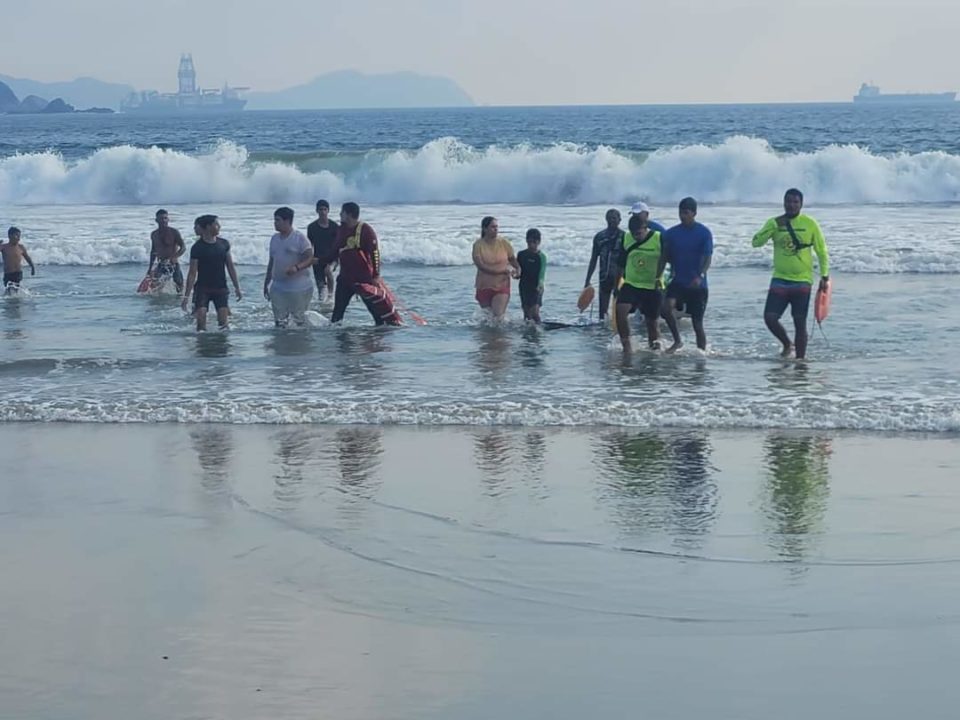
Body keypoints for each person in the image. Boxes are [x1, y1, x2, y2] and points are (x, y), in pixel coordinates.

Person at [752, 188, 830, 360]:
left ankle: (800, 361)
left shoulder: (810, 224)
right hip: (780, 279)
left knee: (799, 323)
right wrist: (773, 226)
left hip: (802, 281)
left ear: (801, 204)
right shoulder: (774, 222)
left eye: (795, 202)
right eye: (788, 201)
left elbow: (822, 251)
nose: (791, 205)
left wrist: (825, 276)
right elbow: (756, 242)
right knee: (770, 318)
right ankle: (787, 344)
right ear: (783, 202)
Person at [326, 202, 401, 325]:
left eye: (342, 212)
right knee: (337, 314)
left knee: (376, 314)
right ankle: (338, 342)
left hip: (364, 281)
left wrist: (376, 275)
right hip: (345, 279)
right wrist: (320, 260)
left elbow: (375, 253)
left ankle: (379, 338)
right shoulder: (341, 230)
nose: (340, 214)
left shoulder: (366, 230)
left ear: (349, 214)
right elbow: (335, 250)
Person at [661, 197, 713, 352]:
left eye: (686, 213)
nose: (682, 216)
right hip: (678, 282)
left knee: (697, 325)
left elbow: (707, 259)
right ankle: (677, 341)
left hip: (698, 285)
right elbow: (664, 257)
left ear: (694, 213)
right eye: (680, 212)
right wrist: (657, 276)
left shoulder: (704, 233)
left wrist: (700, 276)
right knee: (665, 308)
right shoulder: (671, 234)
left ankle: (702, 353)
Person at [615, 213, 669, 351]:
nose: (636, 237)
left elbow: (667, 259)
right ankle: (626, 345)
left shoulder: (658, 238)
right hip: (631, 284)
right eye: (633, 234)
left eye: (639, 234)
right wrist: (617, 285)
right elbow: (620, 264)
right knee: (620, 312)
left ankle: (655, 350)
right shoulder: (626, 238)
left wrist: (661, 277)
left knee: (651, 324)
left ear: (646, 228)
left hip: (652, 286)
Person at [181, 215, 242, 331]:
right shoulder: (197, 247)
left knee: (223, 324)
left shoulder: (224, 244)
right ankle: (202, 348)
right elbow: (192, 273)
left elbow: (230, 267)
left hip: (220, 288)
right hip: (202, 289)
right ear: (209, 227)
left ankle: (222, 347)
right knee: (201, 325)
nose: (219, 227)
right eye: (217, 224)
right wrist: (186, 296)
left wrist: (237, 287)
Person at [263, 206, 314, 328]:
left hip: (299, 287)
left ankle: (299, 345)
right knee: (280, 322)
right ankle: (281, 344)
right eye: (274, 220)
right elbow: (272, 262)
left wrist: (296, 267)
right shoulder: (274, 238)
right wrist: (266, 283)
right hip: (278, 287)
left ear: (287, 221)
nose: (275, 223)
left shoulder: (299, 238)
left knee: (298, 320)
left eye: (277, 220)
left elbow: (310, 258)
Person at [473, 216, 520, 320]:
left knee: (498, 315)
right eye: (493, 227)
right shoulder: (478, 245)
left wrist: (518, 270)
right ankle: (490, 336)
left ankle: (500, 336)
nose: (496, 229)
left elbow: (513, 260)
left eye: (497, 227)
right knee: (488, 319)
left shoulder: (504, 243)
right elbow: (481, 266)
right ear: (485, 229)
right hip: (484, 285)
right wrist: (500, 271)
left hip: (501, 285)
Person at [584, 209, 624, 320]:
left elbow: (629, 260)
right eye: (609, 218)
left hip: (620, 279)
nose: (612, 220)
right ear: (606, 219)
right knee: (602, 313)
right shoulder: (599, 237)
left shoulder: (625, 237)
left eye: (614, 218)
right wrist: (587, 280)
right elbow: (593, 259)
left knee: (620, 311)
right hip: (604, 277)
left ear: (619, 220)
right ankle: (603, 335)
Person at [306, 199, 339, 302]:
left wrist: (337, 258)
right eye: (320, 209)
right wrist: (310, 258)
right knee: (321, 287)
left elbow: (339, 244)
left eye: (325, 209)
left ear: (328, 211)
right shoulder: (312, 227)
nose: (323, 212)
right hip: (317, 258)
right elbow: (309, 244)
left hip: (332, 257)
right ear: (317, 211)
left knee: (328, 271)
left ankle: (330, 297)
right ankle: (323, 303)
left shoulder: (334, 226)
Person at [145, 209, 186, 294]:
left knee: (179, 287)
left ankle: (179, 304)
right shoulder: (154, 234)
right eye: (161, 218)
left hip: (174, 264)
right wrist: (150, 268)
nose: (163, 220)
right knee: (154, 288)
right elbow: (153, 251)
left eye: (165, 218)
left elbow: (183, 247)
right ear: (156, 220)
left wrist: (174, 257)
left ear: (168, 219)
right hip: (161, 264)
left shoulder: (174, 232)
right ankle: (160, 305)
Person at [517, 228, 547, 323]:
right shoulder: (521, 254)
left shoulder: (541, 256)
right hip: (524, 286)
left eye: (534, 242)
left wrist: (540, 284)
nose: (531, 245)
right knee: (527, 314)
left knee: (534, 312)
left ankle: (539, 329)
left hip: (537, 286)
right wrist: (515, 274)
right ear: (526, 241)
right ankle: (527, 334)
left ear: (539, 242)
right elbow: (518, 269)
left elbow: (542, 272)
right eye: (529, 242)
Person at [1, 227, 35, 294]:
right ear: (9, 236)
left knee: (15, 291)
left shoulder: (20, 247)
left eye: (19, 236)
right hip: (8, 274)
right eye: (16, 236)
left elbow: (27, 258)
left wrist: (32, 267)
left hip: (18, 273)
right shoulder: (4, 247)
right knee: (9, 291)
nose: (18, 238)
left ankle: (15, 303)